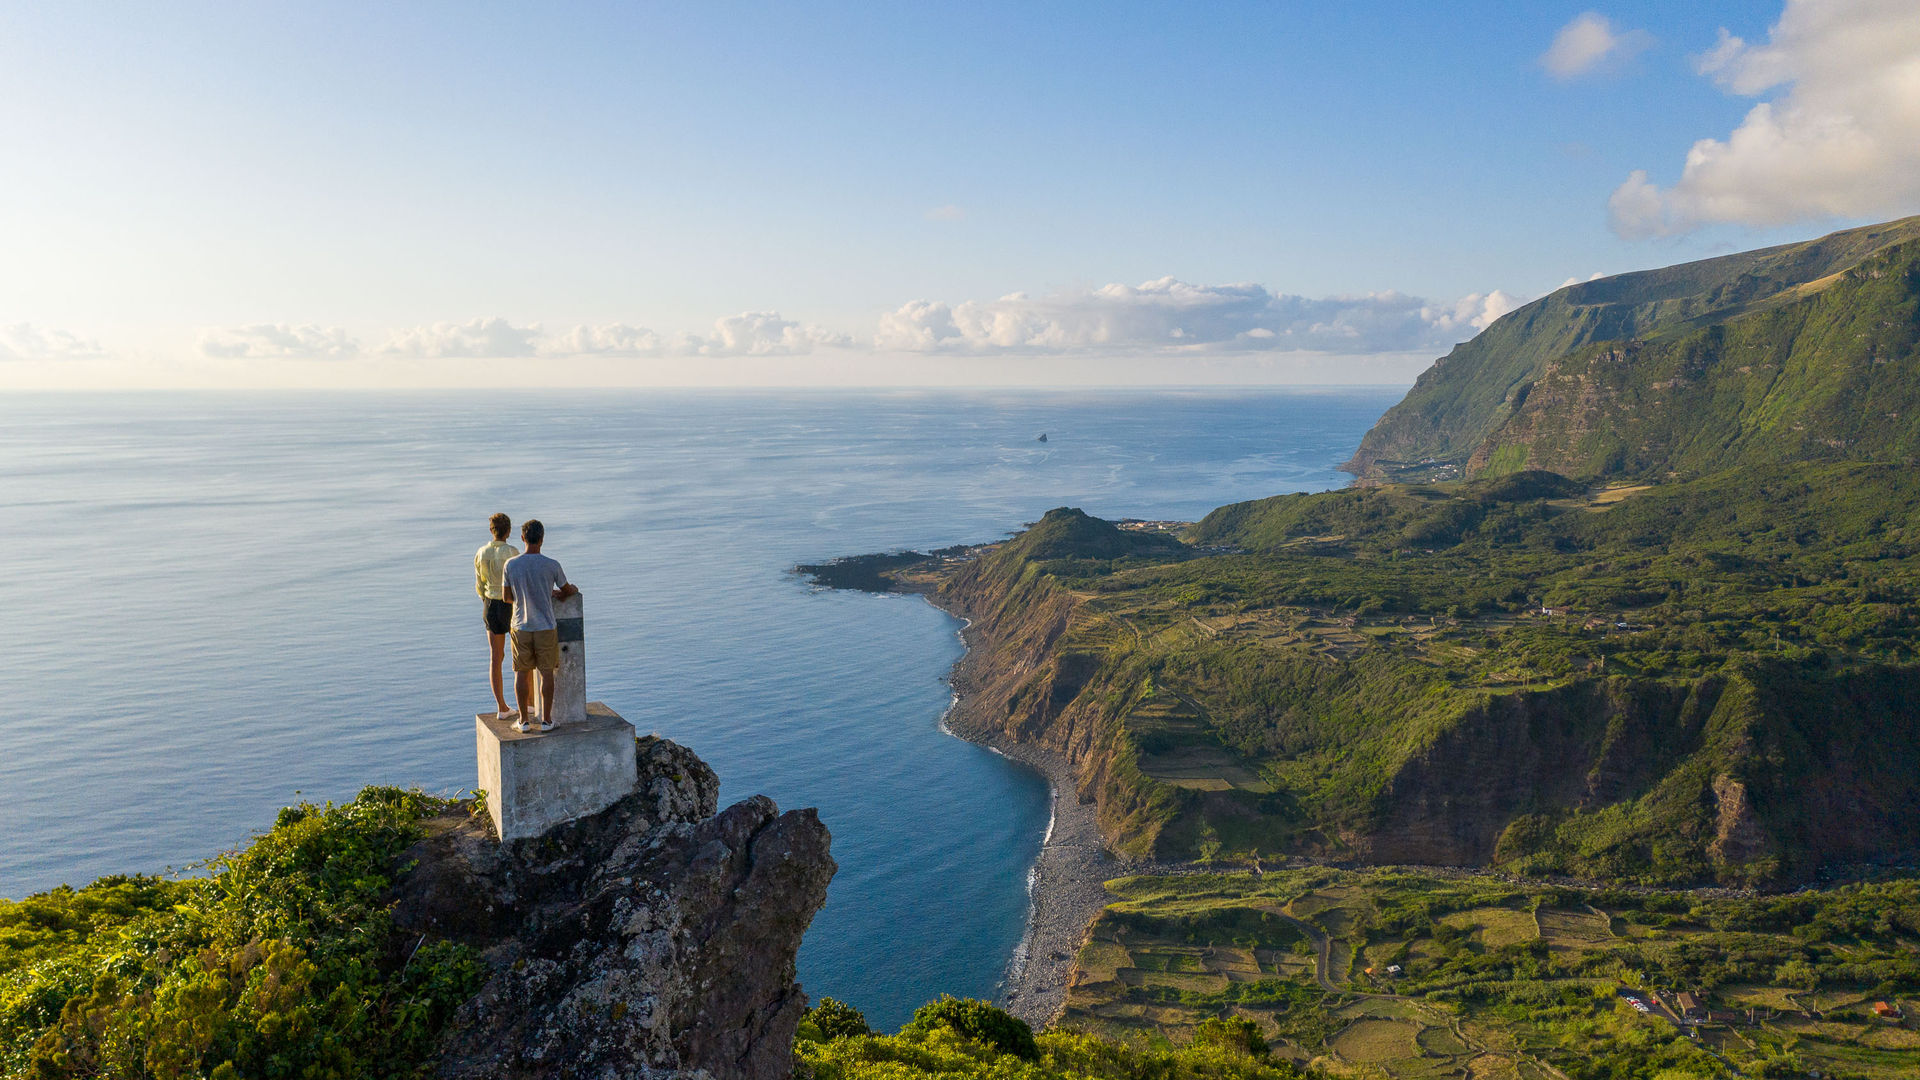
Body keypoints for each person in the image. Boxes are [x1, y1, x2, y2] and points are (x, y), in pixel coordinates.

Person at [502, 518, 579, 733]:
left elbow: (507, 597)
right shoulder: (552, 565)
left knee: (520, 673)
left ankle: (524, 722)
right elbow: (567, 590)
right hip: (545, 626)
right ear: (542, 539)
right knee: (546, 673)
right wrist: (561, 591)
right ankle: (546, 721)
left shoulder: (511, 565)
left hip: (520, 626)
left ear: (523, 538)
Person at [474, 513, 520, 721]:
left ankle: (501, 707)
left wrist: (487, 598)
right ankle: (527, 704)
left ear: (491, 530)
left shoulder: (481, 553)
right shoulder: (512, 552)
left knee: (496, 657)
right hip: (511, 604)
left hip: (490, 605)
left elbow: (479, 586)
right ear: (508, 531)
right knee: (521, 655)